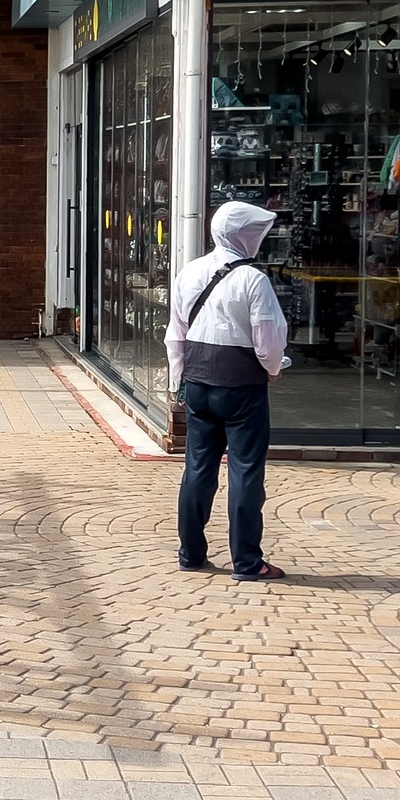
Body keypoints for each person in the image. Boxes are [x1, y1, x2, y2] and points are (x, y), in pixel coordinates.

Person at [167, 201, 290, 580]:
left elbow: (175, 334)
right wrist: (273, 369)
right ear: (244, 236)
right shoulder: (254, 280)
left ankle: (190, 553)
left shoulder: (190, 271)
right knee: (246, 472)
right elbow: (268, 341)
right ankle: (248, 562)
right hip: (242, 387)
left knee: (197, 469)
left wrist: (177, 381)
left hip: (198, 383)